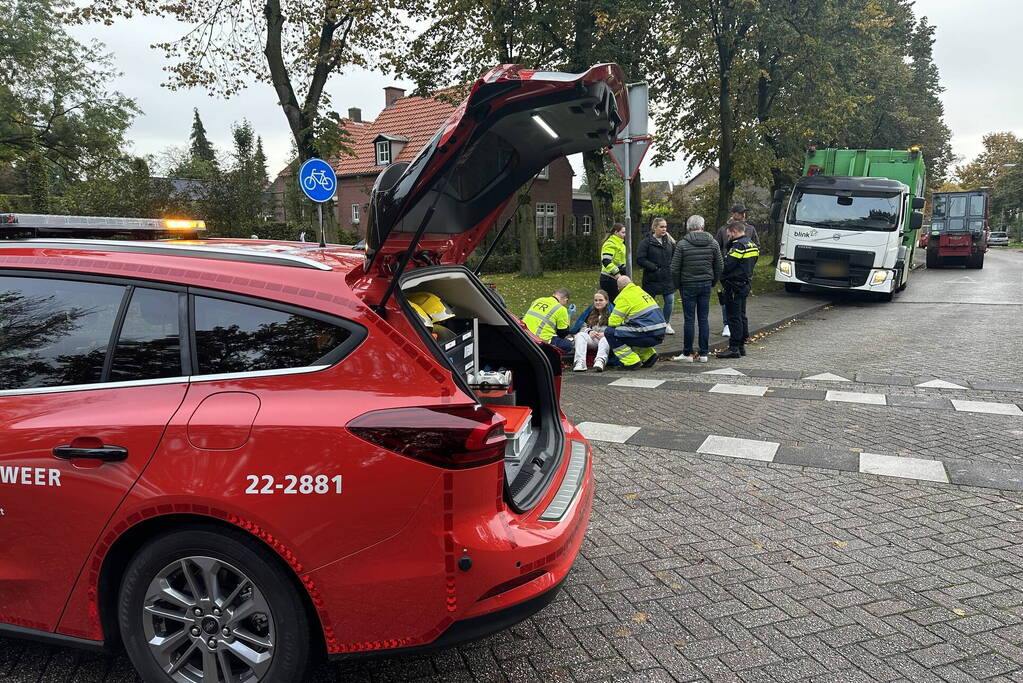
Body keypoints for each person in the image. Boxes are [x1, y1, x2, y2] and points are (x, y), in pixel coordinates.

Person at [670, 215, 723, 363]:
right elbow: (720, 265)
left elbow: (674, 268)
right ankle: (704, 353)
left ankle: (687, 353)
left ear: (688, 227)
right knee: (703, 318)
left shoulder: (682, 244)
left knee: (689, 319)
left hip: (688, 284)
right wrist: (713, 281)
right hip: (705, 283)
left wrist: (678, 284)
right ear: (703, 226)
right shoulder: (713, 243)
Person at [716, 222, 759, 359]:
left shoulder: (738, 246)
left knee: (734, 317)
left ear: (734, 231)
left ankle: (734, 348)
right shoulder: (752, 244)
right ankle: (741, 346)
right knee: (741, 315)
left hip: (734, 285)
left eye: (728, 233)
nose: (727, 235)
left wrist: (720, 273)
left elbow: (728, 265)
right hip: (745, 284)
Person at [604, 275, 666, 370]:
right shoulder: (640, 292)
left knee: (610, 332)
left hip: (648, 333)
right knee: (629, 331)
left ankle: (631, 362)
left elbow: (613, 322)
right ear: (631, 282)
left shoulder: (624, 297)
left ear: (619, 288)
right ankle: (649, 356)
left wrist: (623, 322)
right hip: (660, 332)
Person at [636, 217, 677, 334]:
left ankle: (666, 323)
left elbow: (676, 255)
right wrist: (653, 267)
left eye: (665, 226)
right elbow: (640, 259)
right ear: (655, 228)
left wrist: (672, 267)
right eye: (661, 227)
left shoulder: (670, 241)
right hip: (652, 279)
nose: (664, 229)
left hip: (667, 278)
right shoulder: (646, 242)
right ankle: (650, 324)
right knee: (649, 304)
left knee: (670, 300)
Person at [569, 290, 612, 372]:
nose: (598, 302)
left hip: (605, 340)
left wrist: (606, 333)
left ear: (606, 301)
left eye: (601, 300)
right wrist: (589, 331)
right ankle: (580, 362)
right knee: (580, 335)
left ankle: (600, 361)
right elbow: (581, 325)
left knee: (606, 338)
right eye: (596, 300)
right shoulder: (590, 311)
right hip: (593, 339)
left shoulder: (612, 312)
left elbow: (616, 327)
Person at [523, 287, 573, 355]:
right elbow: (562, 334)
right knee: (568, 345)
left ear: (554, 294)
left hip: (523, 335)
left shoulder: (538, 300)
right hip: (539, 341)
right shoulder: (561, 309)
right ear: (565, 299)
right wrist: (569, 316)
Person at [599, 223, 628, 302]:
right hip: (609, 278)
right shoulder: (610, 244)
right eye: (623, 232)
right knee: (614, 302)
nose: (625, 235)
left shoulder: (621, 244)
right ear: (616, 232)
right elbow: (606, 261)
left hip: (617, 277)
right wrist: (617, 274)